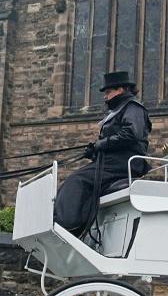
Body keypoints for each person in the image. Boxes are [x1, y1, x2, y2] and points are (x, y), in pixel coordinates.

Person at [54, 71, 152, 237]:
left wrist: (101, 144)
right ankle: (72, 222)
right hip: (112, 162)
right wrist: (94, 151)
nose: (105, 97)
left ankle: (68, 225)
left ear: (120, 90)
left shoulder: (133, 108)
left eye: (108, 92)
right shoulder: (120, 110)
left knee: (77, 180)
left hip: (123, 163)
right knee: (76, 179)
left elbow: (131, 134)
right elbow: (116, 140)